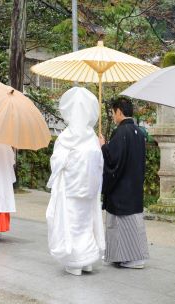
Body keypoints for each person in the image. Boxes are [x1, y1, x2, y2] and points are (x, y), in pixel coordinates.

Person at [46, 87, 105, 276]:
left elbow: (57, 162)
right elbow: (99, 165)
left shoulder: (66, 137)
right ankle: (87, 260)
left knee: (71, 223)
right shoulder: (92, 139)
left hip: (71, 189)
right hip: (89, 189)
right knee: (86, 222)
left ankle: (75, 262)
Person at [99, 97, 149, 269]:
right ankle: (137, 256)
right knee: (134, 224)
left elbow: (114, 160)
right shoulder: (139, 132)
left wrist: (103, 146)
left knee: (122, 225)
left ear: (119, 111)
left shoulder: (121, 132)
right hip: (133, 185)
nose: (113, 116)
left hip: (122, 187)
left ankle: (130, 258)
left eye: (113, 113)